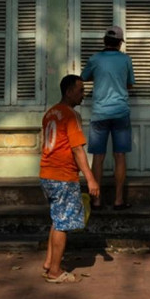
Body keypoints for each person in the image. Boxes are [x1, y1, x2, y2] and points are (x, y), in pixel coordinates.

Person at [39, 74, 100, 283]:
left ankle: (49, 263)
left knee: (57, 219)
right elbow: (78, 150)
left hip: (47, 174)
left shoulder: (50, 113)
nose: (83, 95)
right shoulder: (70, 115)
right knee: (63, 224)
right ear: (68, 91)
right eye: (81, 90)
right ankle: (55, 272)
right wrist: (90, 178)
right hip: (63, 176)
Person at [80, 25, 135, 210]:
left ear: (104, 41)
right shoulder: (126, 59)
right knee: (120, 156)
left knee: (98, 156)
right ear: (120, 43)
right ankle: (118, 200)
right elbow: (130, 84)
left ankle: (96, 200)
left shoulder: (95, 59)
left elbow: (83, 78)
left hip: (99, 113)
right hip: (121, 112)